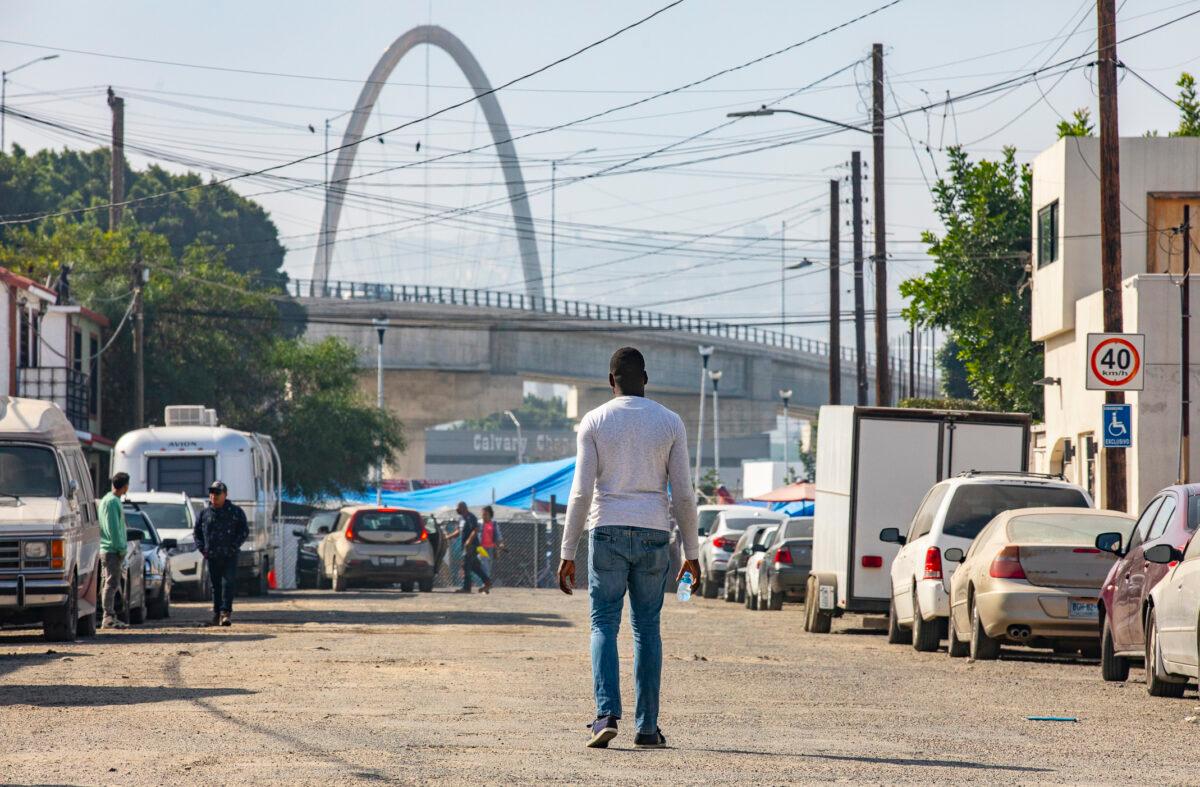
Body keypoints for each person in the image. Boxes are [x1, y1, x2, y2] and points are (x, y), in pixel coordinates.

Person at [558, 346, 701, 750]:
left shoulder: (595, 421)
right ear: (646, 379)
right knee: (647, 629)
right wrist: (692, 552)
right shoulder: (670, 422)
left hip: (606, 531)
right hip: (655, 532)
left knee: (604, 623)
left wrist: (567, 552)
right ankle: (647, 728)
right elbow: (684, 495)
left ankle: (605, 715)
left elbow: (581, 491)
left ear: (610, 381)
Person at [193, 481, 249, 627]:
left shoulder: (235, 512)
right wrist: (202, 548)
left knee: (228, 583)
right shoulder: (205, 513)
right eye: (211, 493)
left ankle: (225, 613)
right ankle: (217, 613)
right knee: (215, 585)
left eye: (217, 493)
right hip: (212, 555)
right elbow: (197, 532)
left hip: (229, 555)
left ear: (225, 495)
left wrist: (234, 546)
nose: (214, 496)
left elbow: (243, 531)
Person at [98, 472, 130, 630]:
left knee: (109, 582)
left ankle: (110, 615)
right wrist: (121, 548)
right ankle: (108, 616)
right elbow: (114, 529)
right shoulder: (112, 502)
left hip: (106, 547)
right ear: (125, 486)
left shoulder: (106, 500)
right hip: (112, 549)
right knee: (111, 583)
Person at [454, 501, 492, 594]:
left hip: (472, 546)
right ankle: (487, 582)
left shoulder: (471, 517)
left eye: (458, 508)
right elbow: (458, 532)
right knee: (474, 567)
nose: (457, 510)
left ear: (464, 508)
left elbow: (475, 530)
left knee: (466, 565)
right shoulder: (461, 518)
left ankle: (466, 588)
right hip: (466, 546)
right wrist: (446, 537)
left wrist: (469, 541)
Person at [479, 505, 505, 580]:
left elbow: (498, 535)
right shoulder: (479, 523)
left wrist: (501, 543)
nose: (483, 516)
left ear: (490, 514)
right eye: (482, 514)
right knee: (484, 564)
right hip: (481, 547)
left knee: (488, 566)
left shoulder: (494, 524)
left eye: (485, 514)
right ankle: (486, 583)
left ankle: (485, 582)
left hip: (491, 548)